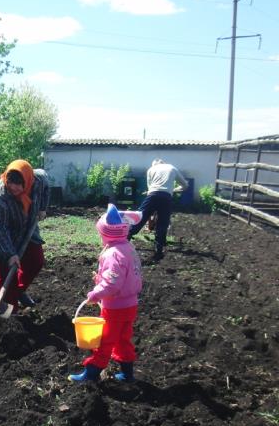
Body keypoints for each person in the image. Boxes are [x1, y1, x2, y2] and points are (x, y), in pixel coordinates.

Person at [69, 204, 142, 383]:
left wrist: (95, 294)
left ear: (107, 233)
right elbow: (123, 277)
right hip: (130, 305)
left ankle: (91, 374)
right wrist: (101, 280)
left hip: (115, 308)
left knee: (104, 341)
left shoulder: (113, 254)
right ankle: (127, 374)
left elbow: (112, 284)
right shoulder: (128, 248)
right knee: (123, 340)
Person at [0, 159, 49, 313]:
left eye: (19, 184)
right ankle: (8, 317)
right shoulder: (0, 196)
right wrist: (10, 254)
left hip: (26, 226)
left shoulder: (37, 180)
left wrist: (42, 208)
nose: (14, 188)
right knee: (7, 274)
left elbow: (46, 186)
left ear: (28, 180)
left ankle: (17, 293)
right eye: (10, 183)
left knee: (36, 260)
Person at [128, 159, 189, 260]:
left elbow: (150, 188)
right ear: (163, 163)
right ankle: (158, 249)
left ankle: (126, 238)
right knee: (163, 223)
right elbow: (185, 185)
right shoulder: (172, 168)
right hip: (166, 197)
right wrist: (173, 190)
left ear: (155, 165)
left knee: (140, 217)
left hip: (152, 195)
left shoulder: (151, 170)